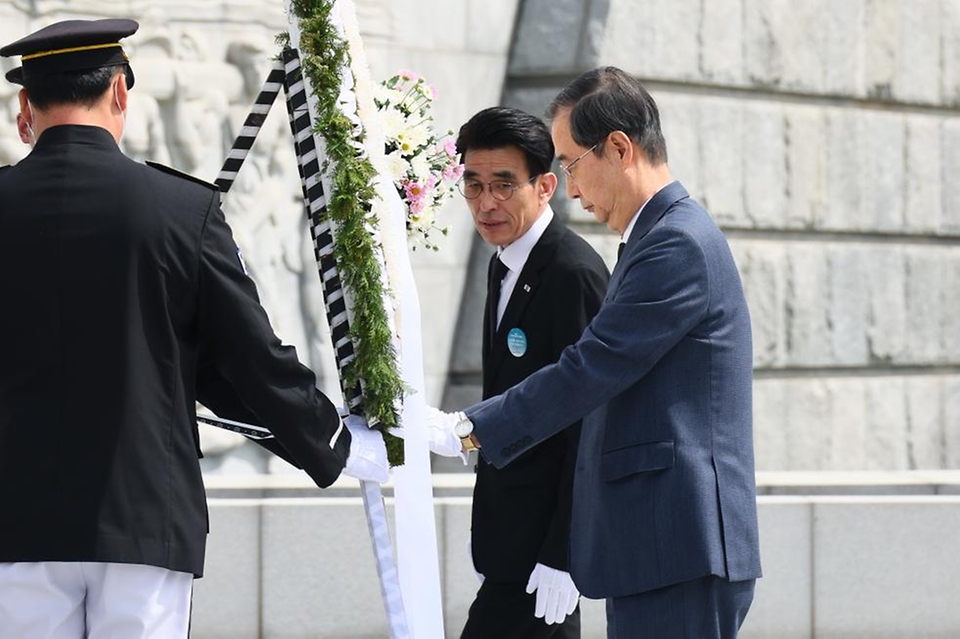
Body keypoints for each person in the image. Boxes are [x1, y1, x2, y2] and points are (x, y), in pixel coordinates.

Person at [0, 18, 387, 639]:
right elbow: (249, 359)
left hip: (15, 524)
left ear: (26, 105)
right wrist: (333, 443)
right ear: (120, 94)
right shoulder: (182, 210)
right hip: (144, 519)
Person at [444, 67, 762, 638]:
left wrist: (468, 429)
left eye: (570, 163)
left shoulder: (675, 243)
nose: (570, 188)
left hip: (679, 542)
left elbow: (589, 368)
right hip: (657, 543)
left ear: (617, 148)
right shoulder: (655, 238)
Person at [437, 106, 609, 638]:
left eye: (504, 185)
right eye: (474, 185)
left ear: (546, 186)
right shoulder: (505, 261)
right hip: (507, 541)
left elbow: (592, 421)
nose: (486, 203)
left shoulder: (572, 273)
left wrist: (565, 552)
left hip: (541, 555)